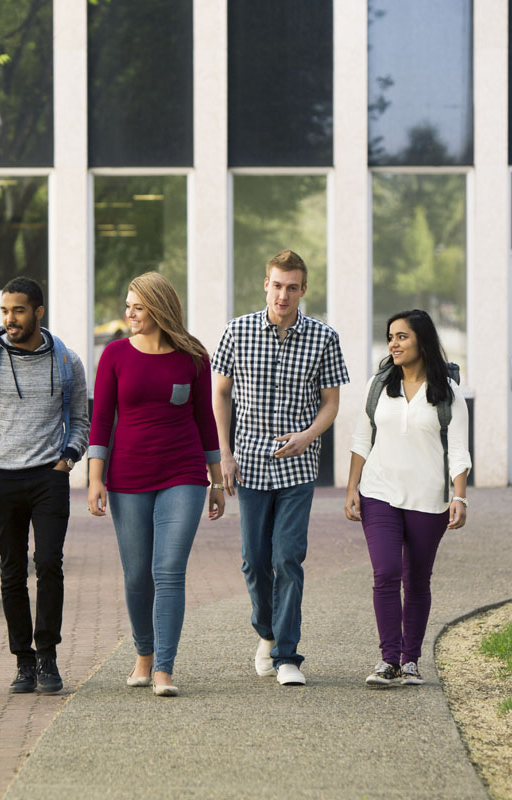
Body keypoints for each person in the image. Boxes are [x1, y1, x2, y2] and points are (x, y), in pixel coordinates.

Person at [212, 250, 349, 687]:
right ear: (265, 284)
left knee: (288, 558)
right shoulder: (237, 331)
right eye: (277, 285)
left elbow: (331, 404)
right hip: (249, 463)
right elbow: (219, 395)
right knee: (255, 561)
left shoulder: (323, 337)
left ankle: (288, 655)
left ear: (303, 289)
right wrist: (224, 454)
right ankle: (266, 633)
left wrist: (307, 436)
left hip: (298, 467)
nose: (283, 294)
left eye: (292, 286)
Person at [87, 272, 224, 697]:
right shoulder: (114, 355)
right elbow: (101, 421)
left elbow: (206, 418)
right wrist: (95, 478)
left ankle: (164, 667)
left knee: (168, 570)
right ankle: (143, 652)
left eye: (138, 307)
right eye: (127, 305)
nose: (128, 313)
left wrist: (216, 479)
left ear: (160, 309)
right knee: (136, 576)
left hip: (182, 473)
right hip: (127, 477)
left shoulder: (193, 355)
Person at [0, 277, 89, 695]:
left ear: (38, 312)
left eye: (17, 310)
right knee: (12, 572)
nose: (9, 319)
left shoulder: (67, 361)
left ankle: (48, 653)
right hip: (3, 478)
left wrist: (67, 460)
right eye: (4, 311)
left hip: (49, 478)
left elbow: (81, 418)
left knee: (49, 564)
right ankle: (23, 661)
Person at [344, 309, 471, 686]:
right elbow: (361, 438)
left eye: (402, 337)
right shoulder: (379, 385)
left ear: (422, 341)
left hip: (428, 499)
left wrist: (460, 496)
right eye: (390, 337)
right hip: (379, 492)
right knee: (386, 573)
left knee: (417, 581)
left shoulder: (448, 393)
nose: (393, 344)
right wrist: (353, 487)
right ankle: (388, 661)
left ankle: (410, 660)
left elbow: (459, 449)